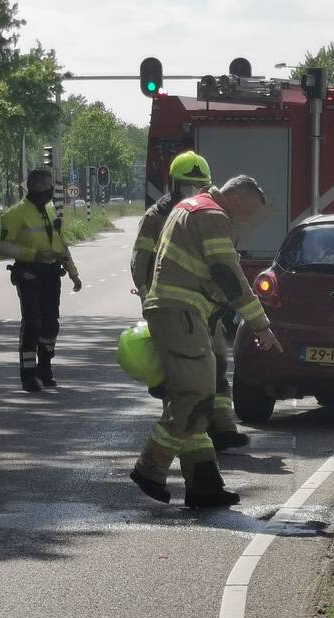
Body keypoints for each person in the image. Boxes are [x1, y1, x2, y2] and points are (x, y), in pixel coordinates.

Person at [130, 175, 282, 507]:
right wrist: (261, 325)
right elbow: (228, 274)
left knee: (198, 401)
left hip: (178, 313)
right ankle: (150, 466)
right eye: (251, 211)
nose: (250, 220)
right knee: (195, 394)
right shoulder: (214, 216)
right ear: (239, 198)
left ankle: (204, 483)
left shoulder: (190, 207)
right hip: (181, 314)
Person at [130, 151, 249, 452]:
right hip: (175, 308)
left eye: (197, 186)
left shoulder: (208, 214)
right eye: (186, 185)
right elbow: (139, 260)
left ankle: (221, 426)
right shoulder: (157, 216)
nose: (191, 192)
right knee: (183, 377)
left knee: (218, 363)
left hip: (208, 309)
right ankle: (187, 432)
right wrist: (148, 296)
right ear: (173, 184)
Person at [0, 169, 83, 392]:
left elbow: (60, 244)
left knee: (50, 325)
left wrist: (73, 272)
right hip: (29, 273)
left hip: (51, 274)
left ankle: (45, 368)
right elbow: (4, 247)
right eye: (45, 187)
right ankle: (28, 375)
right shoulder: (14, 215)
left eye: (50, 188)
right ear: (33, 187)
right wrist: (33, 254)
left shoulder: (49, 211)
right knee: (32, 324)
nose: (48, 192)